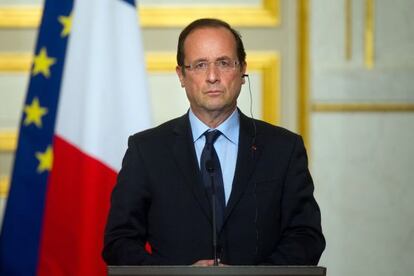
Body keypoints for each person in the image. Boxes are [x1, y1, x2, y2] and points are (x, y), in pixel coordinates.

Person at [102, 18, 325, 266]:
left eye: (223, 63)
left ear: (242, 71)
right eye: (199, 65)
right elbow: (119, 242)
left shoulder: (283, 148)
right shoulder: (146, 150)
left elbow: (306, 238)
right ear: (181, 75)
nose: (212, 76)